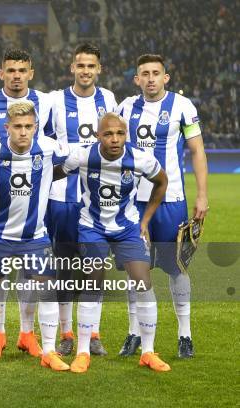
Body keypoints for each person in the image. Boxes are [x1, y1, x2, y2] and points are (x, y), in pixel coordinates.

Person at [54, 112, 171, 373]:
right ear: (98, 136)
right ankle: (83, 352)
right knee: (92, 284)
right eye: (108, 134)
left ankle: (148, 352)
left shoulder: (140, 158)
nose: (114, 139)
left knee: (143, 283)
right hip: (91, 227)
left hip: (127, 228)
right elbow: (54, 174)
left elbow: (162, 182)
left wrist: (146, 220)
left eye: (119, 133)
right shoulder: (83, 156)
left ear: (126, 135)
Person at [0, 101, 66, 373]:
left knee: (47, 291)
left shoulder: (49, 148)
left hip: (35, 236)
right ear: (6, 127)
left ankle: (49, 351)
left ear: (35, 128)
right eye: (17, 127)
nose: (23, 132)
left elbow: (82, 157)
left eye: (28, 127)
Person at [117, 54, 208, 358]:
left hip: (171, 203)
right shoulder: (125, 108)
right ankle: (133, 333)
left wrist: (202, 195)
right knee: (135, 269)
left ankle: (185, 335)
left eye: (157, 73)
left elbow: (196, 151)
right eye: (145, 73)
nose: (151, 78)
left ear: (166, 77)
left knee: (176, 267)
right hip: (133, 203)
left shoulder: (182, 107)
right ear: (137, 79)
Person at [0, 48, 55, 359]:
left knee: (32, 275)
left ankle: (27, 333)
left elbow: (52, 148)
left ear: (31, 72)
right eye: (11, 70)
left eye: (22, 70)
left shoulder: (45, 102)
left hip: (33, 199)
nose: (16, 75)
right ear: (1, 73)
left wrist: (38, 181)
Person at [47, 43, 117, 356]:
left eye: (91, 66)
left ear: (98, 69)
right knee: (64, 266)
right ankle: (65, 332)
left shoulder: (109, 100)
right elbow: (42, 138)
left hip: (98, 199)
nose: (86, 71)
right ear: (72, 68)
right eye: (81, 66)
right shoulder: (55, 101)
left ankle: (93, 332)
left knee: (95, 266)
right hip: (61, 197)